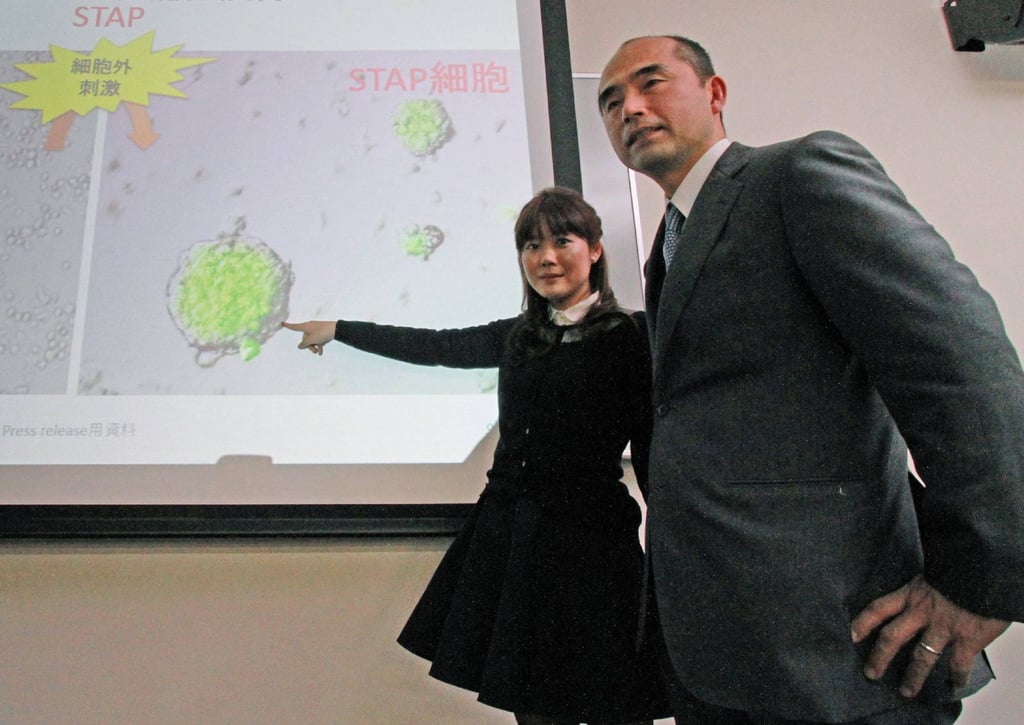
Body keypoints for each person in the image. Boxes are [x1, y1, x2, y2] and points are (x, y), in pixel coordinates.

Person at [597, 34, 1024, 724]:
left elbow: (959, 360)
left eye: (651, 83)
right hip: (721, 650)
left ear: (715, 93)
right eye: (611, 101)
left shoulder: (797, 174)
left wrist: (983, 580)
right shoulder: (671, 243)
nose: (630, 108)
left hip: (837, 652)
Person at [282, 187, 669, 725]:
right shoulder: (518, 336)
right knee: (533, 702)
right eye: (531, 246)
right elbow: (434, 346)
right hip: (514, 540)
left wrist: (673, 546)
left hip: (594, 545)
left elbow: (653, 448)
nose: (546, 257)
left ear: (595, 250)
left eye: (563, 240)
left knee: (614, 700)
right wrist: (341, 330)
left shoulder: (632, 336)